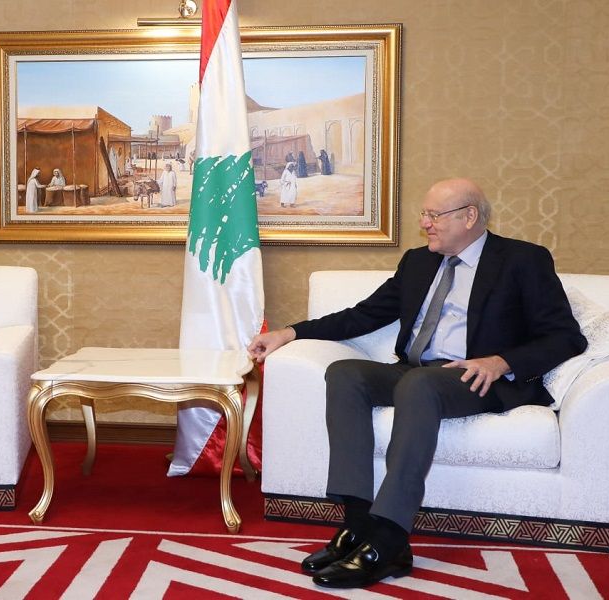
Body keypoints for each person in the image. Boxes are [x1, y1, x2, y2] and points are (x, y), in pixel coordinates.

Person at [248, 178, 586, 589]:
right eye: (424, 214)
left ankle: (389, 540)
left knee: (420, 385)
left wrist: (501, 362)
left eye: (434, 215)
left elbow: (566, 336)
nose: (425, 223)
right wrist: (290, 332)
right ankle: (357, 524)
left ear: (469, 217)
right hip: (416, 371)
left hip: (475, 378)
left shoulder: (522, 260)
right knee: (346, 373)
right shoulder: (418, 261)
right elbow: (364, 315)